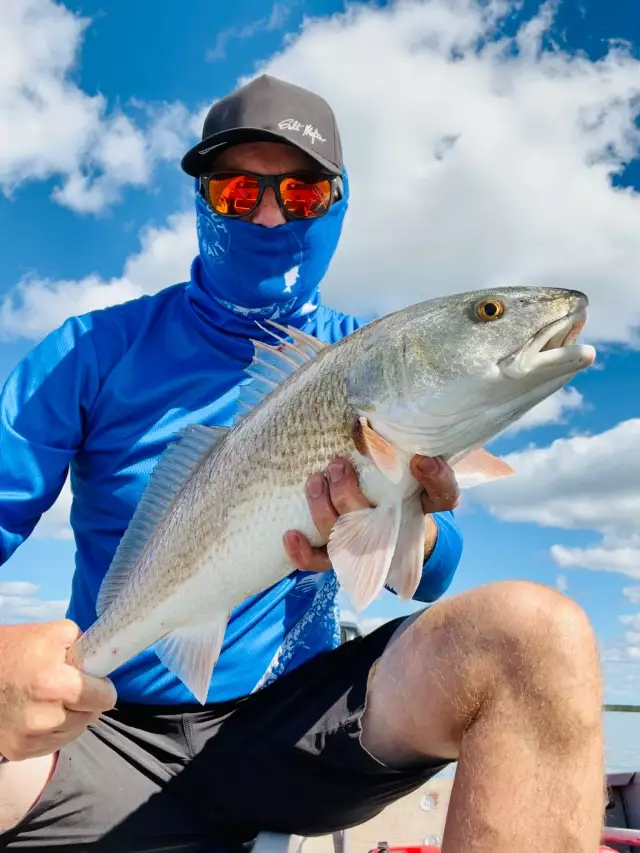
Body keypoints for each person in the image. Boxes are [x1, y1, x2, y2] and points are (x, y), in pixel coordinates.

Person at [0, 75, 603, 852]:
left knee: (538, 634)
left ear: (338, 204)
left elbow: (430, 569)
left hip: (290, 728)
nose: (270, 211)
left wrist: (407, 523)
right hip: (106, 718)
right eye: (236, 191)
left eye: (304, 193)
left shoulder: (365, 352)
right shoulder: (91, 350)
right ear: (201, 200)